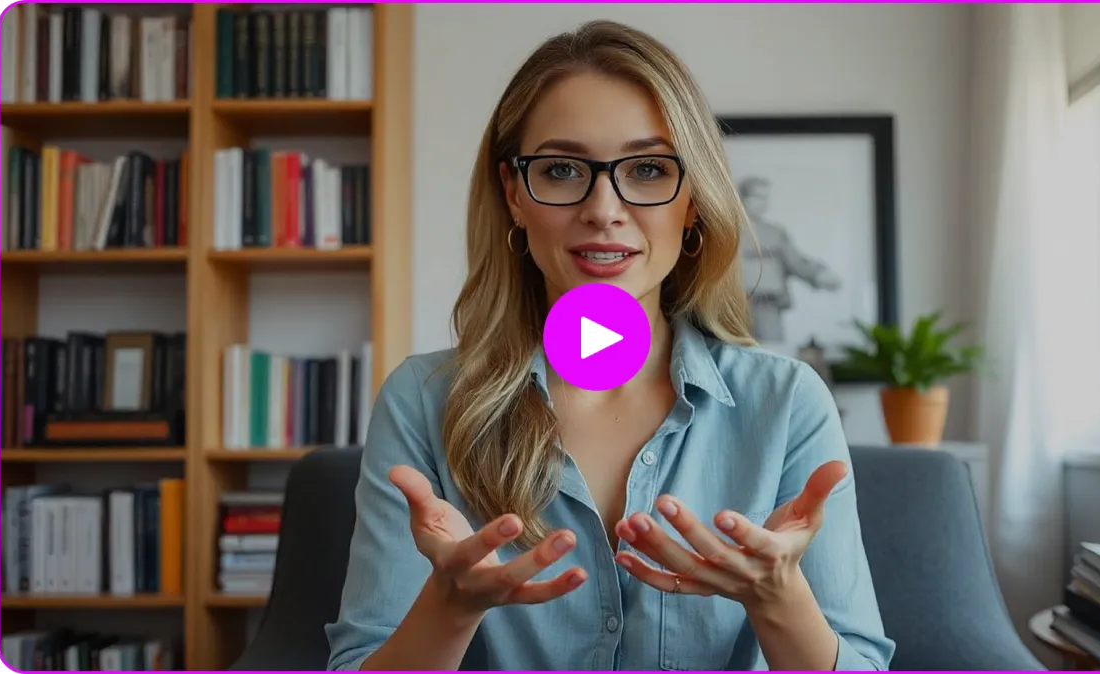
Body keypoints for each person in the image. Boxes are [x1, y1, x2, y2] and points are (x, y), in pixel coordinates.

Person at [324, 19, 895, 672]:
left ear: (693, 201)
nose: (603, 208)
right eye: (561, 169)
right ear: (513, 194)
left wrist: (777, 599)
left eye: (648, 169)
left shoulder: (787, 402)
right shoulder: (423, 401)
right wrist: (448, 608)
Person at [737, 176, 843, 343]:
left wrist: (819, 275)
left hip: (769, 306)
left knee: (772, 351)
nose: (764, 203)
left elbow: (795, 261)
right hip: (733, 305)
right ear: (742, 197)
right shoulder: (725, 230)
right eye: (758, 197)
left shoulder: (775, 233)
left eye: (766, 197)